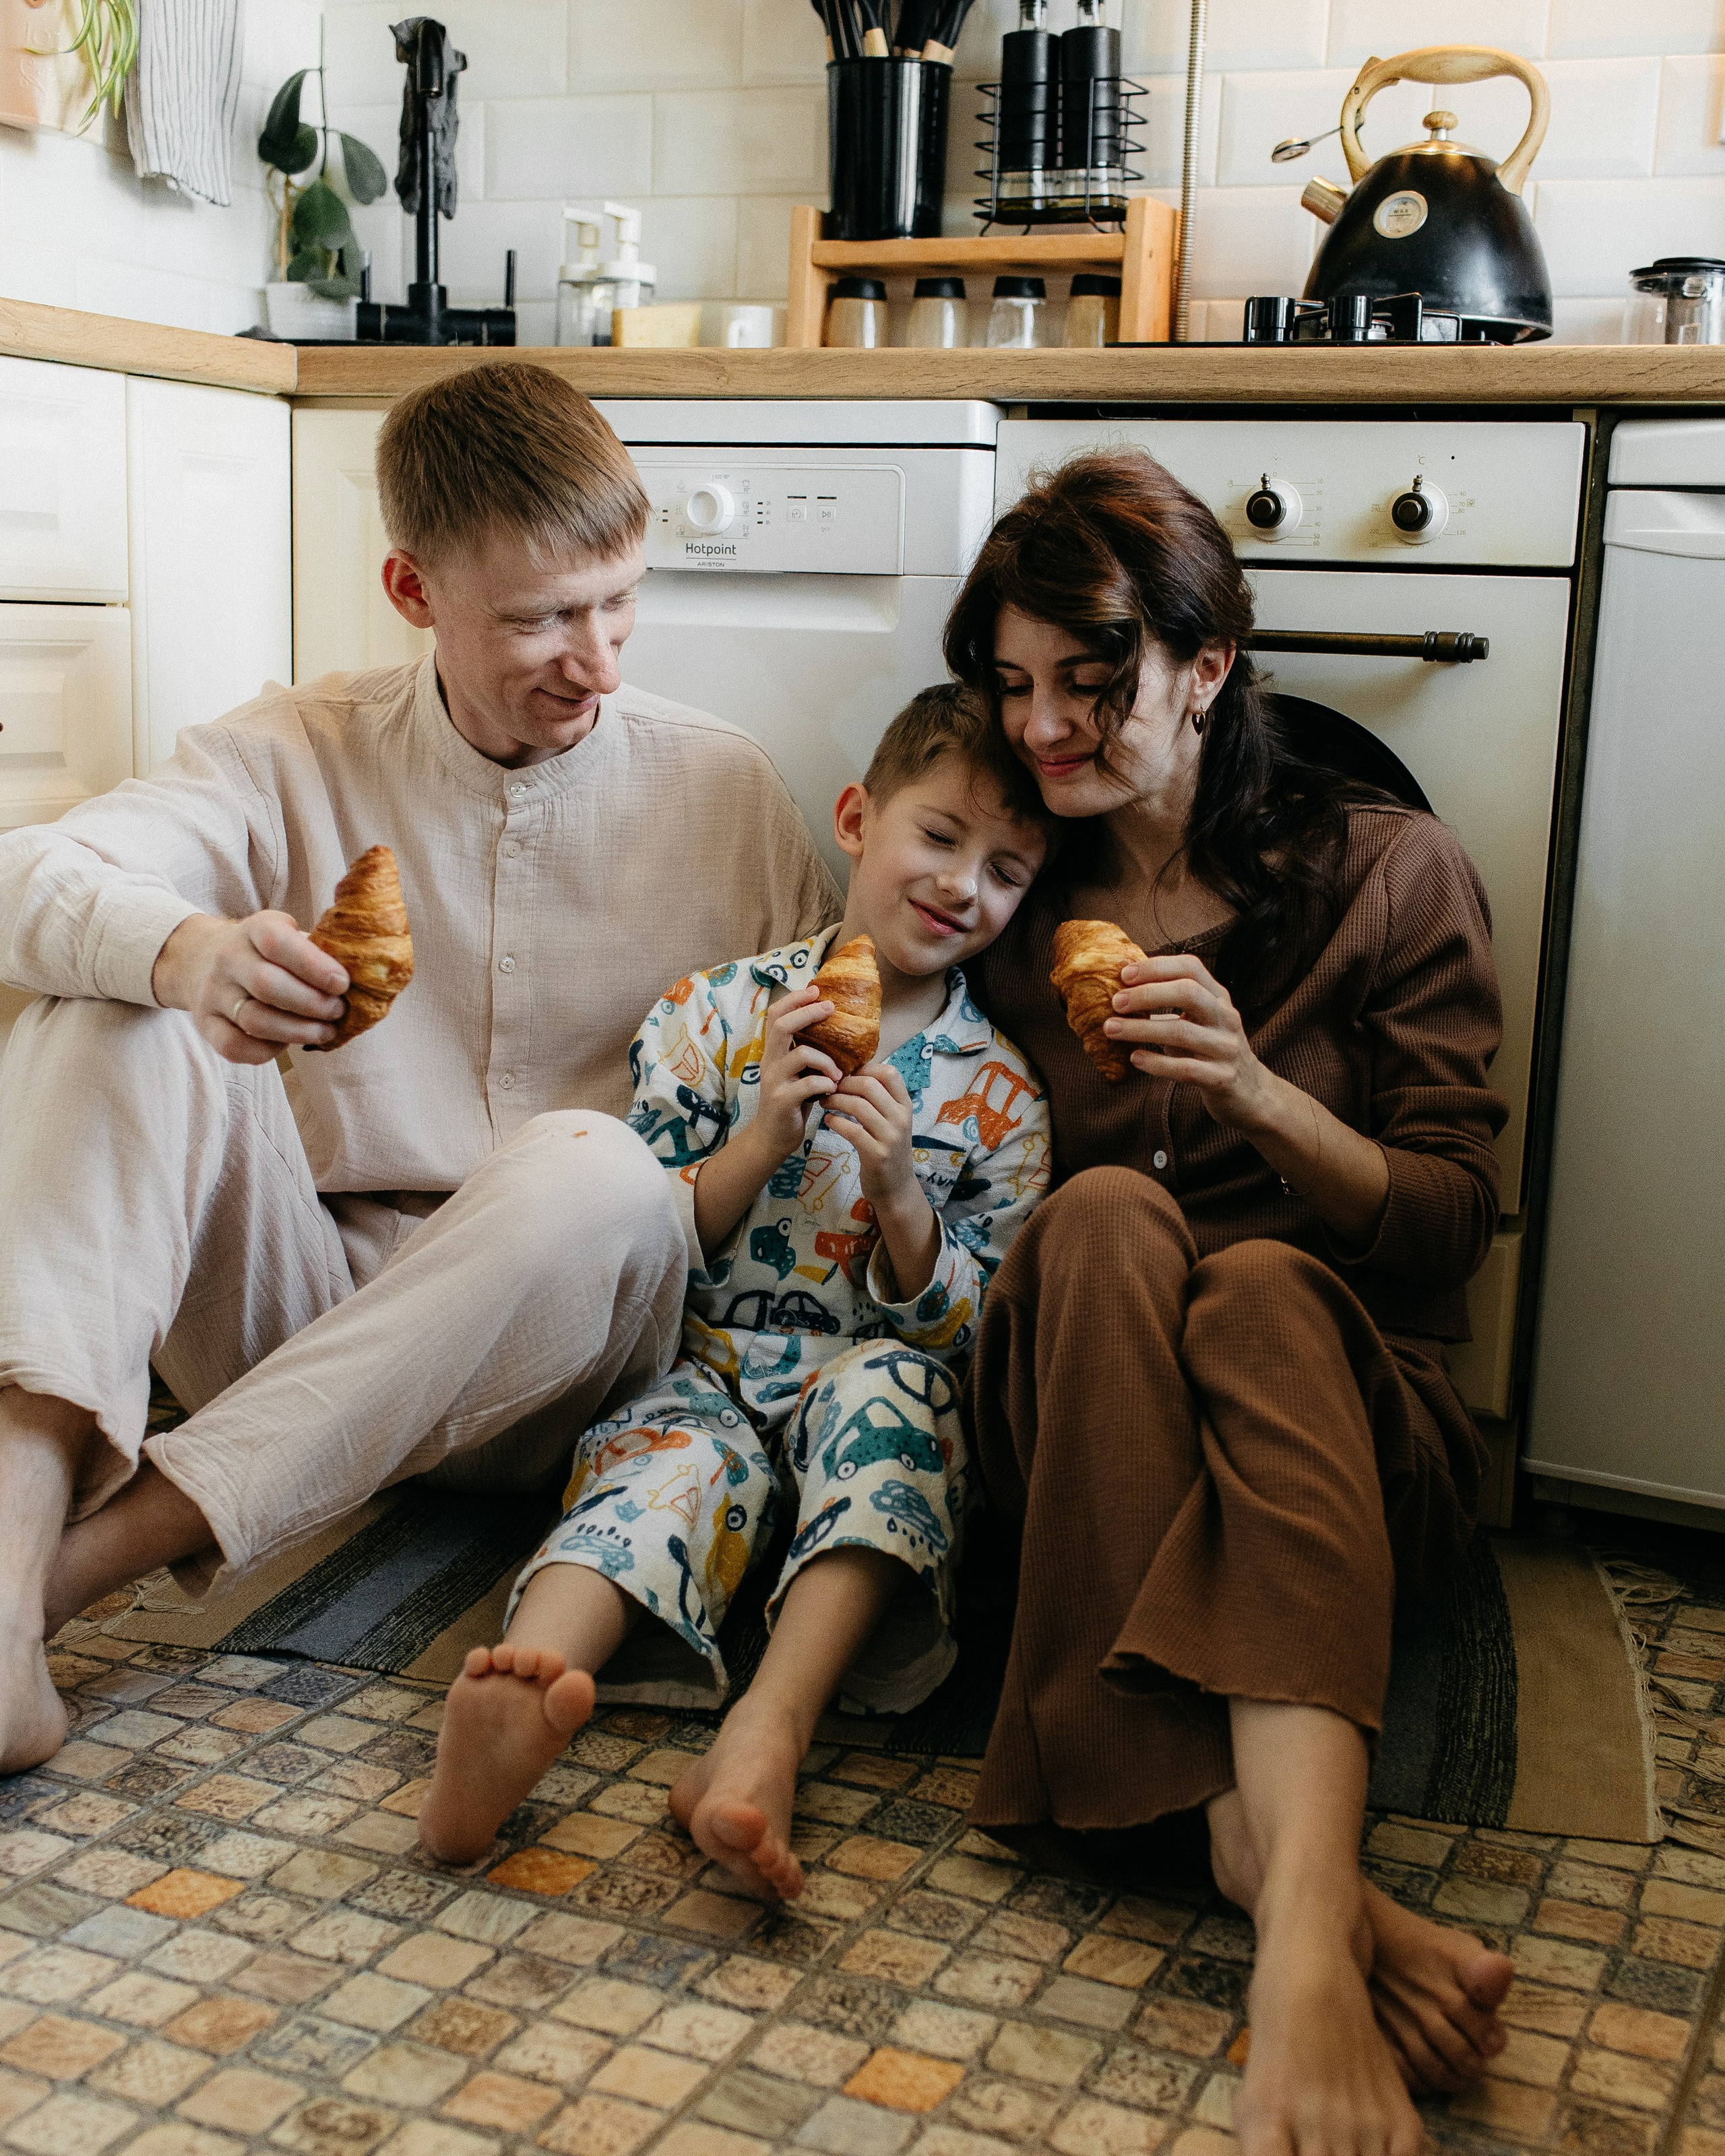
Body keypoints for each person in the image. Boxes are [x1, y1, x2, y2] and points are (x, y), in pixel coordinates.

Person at [0, 362, 837, 1775]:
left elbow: (797, 1121)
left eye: (618, 600)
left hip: (567, 1359)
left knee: (601, 1166)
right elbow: (27, 874)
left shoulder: (725, 790)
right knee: (106, 996)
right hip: (299, 1315)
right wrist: (190, 953)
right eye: (539, 620)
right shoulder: (287, 752)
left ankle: (58, 1588)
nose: (599, 660)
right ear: (409, 590)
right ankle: (2, 1568)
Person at [941, 450, 1517, 2156]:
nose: (1041, 729)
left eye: (1089, 683)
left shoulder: (1390, 871)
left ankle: (1256, 1875)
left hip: (1338, 1444)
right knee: (1106, 1215)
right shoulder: (1004, 894)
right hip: (1091, 1423)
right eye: (1014, 684)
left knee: (1265, 1280)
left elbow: (1447, 1225)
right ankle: (1301, 1903)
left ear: (1206, 671)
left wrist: (1265, 1099)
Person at [416, 685, 1053, 1889]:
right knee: (661, 1462)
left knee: (903, 1416)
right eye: (941, 836)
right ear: (858, 817)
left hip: (871, 1377)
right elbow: (632, 1234)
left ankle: (773, 1728)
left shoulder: (1004, 1096)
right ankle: (530, 1686)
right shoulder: (712, 1015)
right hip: (701, 1368)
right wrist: (761, 1136)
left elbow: (983, 1335)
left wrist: (906, 1199)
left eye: (1010, 870)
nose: (967, 885)